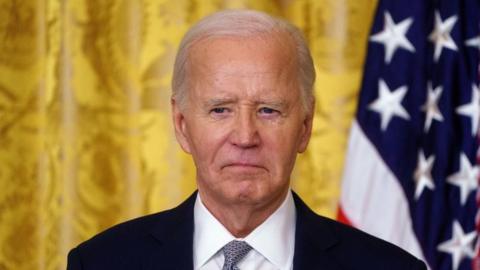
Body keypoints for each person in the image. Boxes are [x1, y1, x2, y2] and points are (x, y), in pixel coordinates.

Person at [67, 9, 427, 270]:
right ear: (181, 124)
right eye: (220, 110)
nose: (245, 136)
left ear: (305, 125)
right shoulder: (100, 262)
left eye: (269, 110)